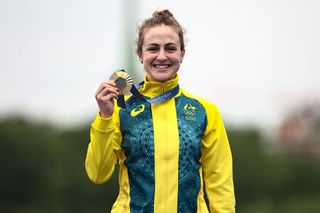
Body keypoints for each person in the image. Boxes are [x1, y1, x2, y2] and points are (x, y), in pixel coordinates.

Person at [85, 9, 236, 213]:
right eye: (153, 48)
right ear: (140, 54)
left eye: (170, 48)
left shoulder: (205, 112)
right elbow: (98, 174)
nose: (162, 56)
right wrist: (104, 116)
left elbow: (220, 184)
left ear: (182, 54)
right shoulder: (120, 110)